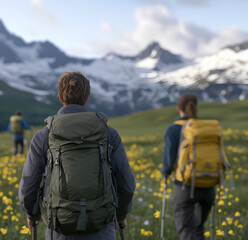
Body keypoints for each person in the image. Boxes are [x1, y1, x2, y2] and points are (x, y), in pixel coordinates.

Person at [18, 71, 136, 240]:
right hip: (101, 224)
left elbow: (29, 184)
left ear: (60, 97)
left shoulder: (44, 136)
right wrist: (121, 214)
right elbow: (126, 183)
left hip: (59, 227)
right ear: (87, 97)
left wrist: (32, 213)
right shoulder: (108, 133)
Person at [161, 94, 215, 240]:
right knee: (198, 229)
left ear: (179, 108)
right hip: (208, 186)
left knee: (186, 233)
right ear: (195, 107)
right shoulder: (205, 128)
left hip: (185, 187)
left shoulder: (173, 129)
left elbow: (168, 163)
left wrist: (165, 173)